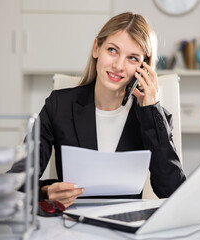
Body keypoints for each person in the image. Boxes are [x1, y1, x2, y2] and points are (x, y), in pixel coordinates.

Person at [10, 12, 186, 208]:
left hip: (126, 227)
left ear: (143, 68)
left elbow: (172, 191)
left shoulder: (153, 118)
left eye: (133, 58)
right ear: (96, 48)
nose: (118, 65)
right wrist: (45, 191)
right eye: (112, 50)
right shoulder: (59, 105)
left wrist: (151, 109)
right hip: (71, 225)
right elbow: (17, 181)